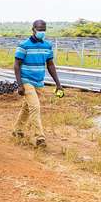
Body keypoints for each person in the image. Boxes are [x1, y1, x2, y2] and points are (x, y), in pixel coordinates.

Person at [13, 20, 63, 148]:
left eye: (44, 29)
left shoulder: (47, 46)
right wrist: (19, 84)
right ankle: (39, 137)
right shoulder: (24, 45)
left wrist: (58, 84)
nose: (42, 32)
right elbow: (17, 65)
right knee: (35, 107)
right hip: (26, 81)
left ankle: (17, 130)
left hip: (39, 82)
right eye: (39, 29)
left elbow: (50, 65)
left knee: (27, 107)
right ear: (33, 29)